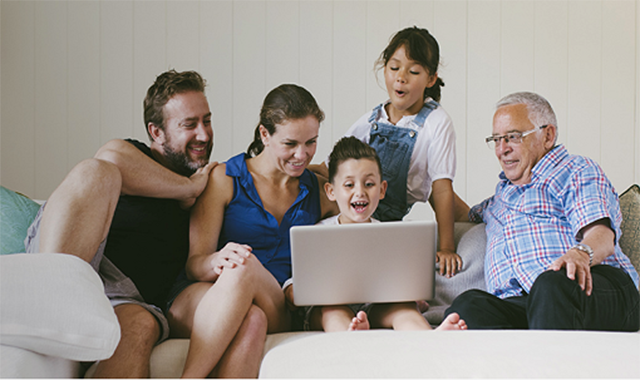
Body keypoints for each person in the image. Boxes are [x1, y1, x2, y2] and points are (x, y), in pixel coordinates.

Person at [23, 70, 266, 377]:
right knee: (96, 171)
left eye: (207, 120)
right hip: (76, 258)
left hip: (130, 298)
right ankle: (49, 303)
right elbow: (109, 157)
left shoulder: (212, 181)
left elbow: (269, 171)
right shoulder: (134, 156)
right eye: (189, 125)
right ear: (156, 132)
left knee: (140, 325)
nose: (204, 135)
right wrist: (187, 189)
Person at [166, 84, 338, 378]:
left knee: (245, 270)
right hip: (206, 294)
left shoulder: (320, 193)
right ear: (264, 135)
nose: (302, 154)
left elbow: (357, 229)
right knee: (251, 317)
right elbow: (195, 264)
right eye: (290, 144)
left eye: (311, 142)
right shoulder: (225, 178)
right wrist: (217, 260)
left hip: (277, 304)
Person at [445, 91, 640, 331]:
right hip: (527, 302)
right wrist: (429, 181)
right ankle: (520, 365)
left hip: (591, 286)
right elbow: (461, 214)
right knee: (468, 306)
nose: (501, 149)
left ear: (547, 135)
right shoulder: (498, 200)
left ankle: (547, 367)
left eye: (512, 137)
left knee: (551, 284)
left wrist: (580, 253)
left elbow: (601, 235)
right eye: (496, 139)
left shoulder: (574, 170)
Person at [311, 26, 463, 278]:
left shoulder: (436, 121)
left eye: (413, 71)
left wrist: (446, 247)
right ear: (384, 70)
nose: (401, 77)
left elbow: (442, 189)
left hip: (384, 217)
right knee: (309, 182)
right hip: (352, 209)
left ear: (431, 79)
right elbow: (330, 168)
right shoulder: (372, 120)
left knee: (470, 216)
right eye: (394, 68)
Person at [284, 136, 467, 332]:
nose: (360, 192)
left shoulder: (390, 235)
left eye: (369, 184)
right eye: (349, 185)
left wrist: (411, 293)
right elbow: (294, 285)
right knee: (333, 311)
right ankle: (352, 338)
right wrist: (293, 292)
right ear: (331, 191)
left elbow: (402, 279)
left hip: (373, 307)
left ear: (382, 190)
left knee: (404, 309)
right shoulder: (317, 233)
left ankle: (429, 338)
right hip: (327, 310)